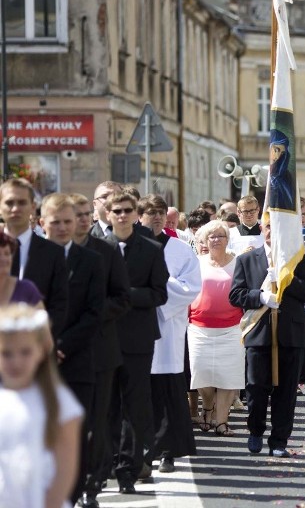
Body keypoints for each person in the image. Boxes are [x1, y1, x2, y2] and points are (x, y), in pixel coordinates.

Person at [40, 193, 106, 505]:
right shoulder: (26, 258)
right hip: (34, 361)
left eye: (69, 221)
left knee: (76, 433)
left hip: (77, 359)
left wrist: (62, 346)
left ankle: (76, 493)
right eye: (57, 222)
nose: (64, 227)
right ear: (42, 224)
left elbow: (95, 311)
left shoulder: (91, 260)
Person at [231, 214, 305, 458]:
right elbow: (236, 295)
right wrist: (260, 297)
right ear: (261, 229)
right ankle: (255, 429)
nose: (271, 232)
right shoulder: (246, 260)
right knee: (256, 387)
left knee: (286, 391)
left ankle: (279, 440)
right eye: (267, 227)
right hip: (259, 332)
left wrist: (286, 279)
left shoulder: (300, 260)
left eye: (276, 228)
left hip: (291, 333)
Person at [104, 191, 169, 494]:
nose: (122, 215)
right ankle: (109, 461)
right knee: (107, 405)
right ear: (108, 214)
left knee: (135, 405)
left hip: (139, 337)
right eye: (116, 210)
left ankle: (130, 467)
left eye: (127, 210)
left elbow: (160, 294)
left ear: (134, 213)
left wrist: (128, 295)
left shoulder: (151, 249)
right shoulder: (98, 248)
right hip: (104, 337)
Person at [69, 193, 131, 508]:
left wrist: (90, 315)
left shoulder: (106, 250)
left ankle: (91, 486)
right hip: (62, 351)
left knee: (96, 422)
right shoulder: (54, 250)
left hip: (99, 349)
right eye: (73, 214)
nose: (80, 220)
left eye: (84, 214)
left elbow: (121, 297)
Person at [139, 195, 201, 473]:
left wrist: (157, 284)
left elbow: (191, 288)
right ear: (139, 216)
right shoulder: (131, 247)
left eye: (160, 213)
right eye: (150, 212)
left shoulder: (179, 249)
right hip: (134, 328)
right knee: (138, 393)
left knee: (167, 392)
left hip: (166, 330)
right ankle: (140, 450)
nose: (156, 217)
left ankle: (168, 451)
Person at [0, 304, 84, 508]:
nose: (16, 362)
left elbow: (65, 469)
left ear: (41, 351)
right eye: (7, 354)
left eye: (25, 352)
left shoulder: (57, 401)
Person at [188, 220, 245, 438]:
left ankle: (222, 422)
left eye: (220, 235)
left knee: (228, 377)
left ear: (227, 239)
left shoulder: (238, 263)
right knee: (202, 375)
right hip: (199, 328)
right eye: (211, 236)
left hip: (232, 328)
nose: (216, 239)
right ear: (204, 240)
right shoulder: (196, 263)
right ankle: (207, 407)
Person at [0, 178, 69, 335]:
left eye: (22, 202)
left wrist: (38, 342)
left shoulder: (53, 253)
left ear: (33, 207)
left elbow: (59, 304)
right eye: (9, 202)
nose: (15, 208)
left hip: (34, 348)